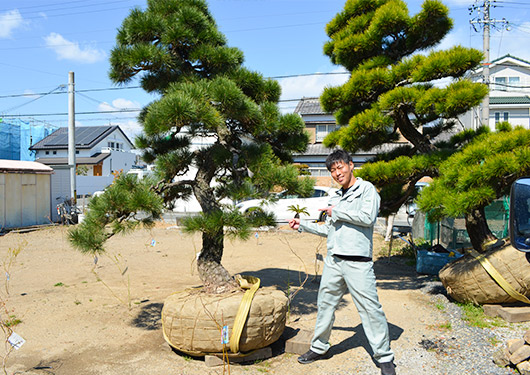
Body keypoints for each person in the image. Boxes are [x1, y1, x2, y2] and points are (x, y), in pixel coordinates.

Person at [289, 149, 396, 375]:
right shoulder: (336, 196)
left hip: (358, 262)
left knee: (369, 308)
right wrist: (303, 226)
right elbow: (331, 228)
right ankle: (320, 347)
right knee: (325, 304)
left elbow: (368, 217)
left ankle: (384, 357)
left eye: (340, 167)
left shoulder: (366, 190)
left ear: (351, 165)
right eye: (332, 170)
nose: (337, 173)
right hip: (334, 261)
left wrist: (338, 211)